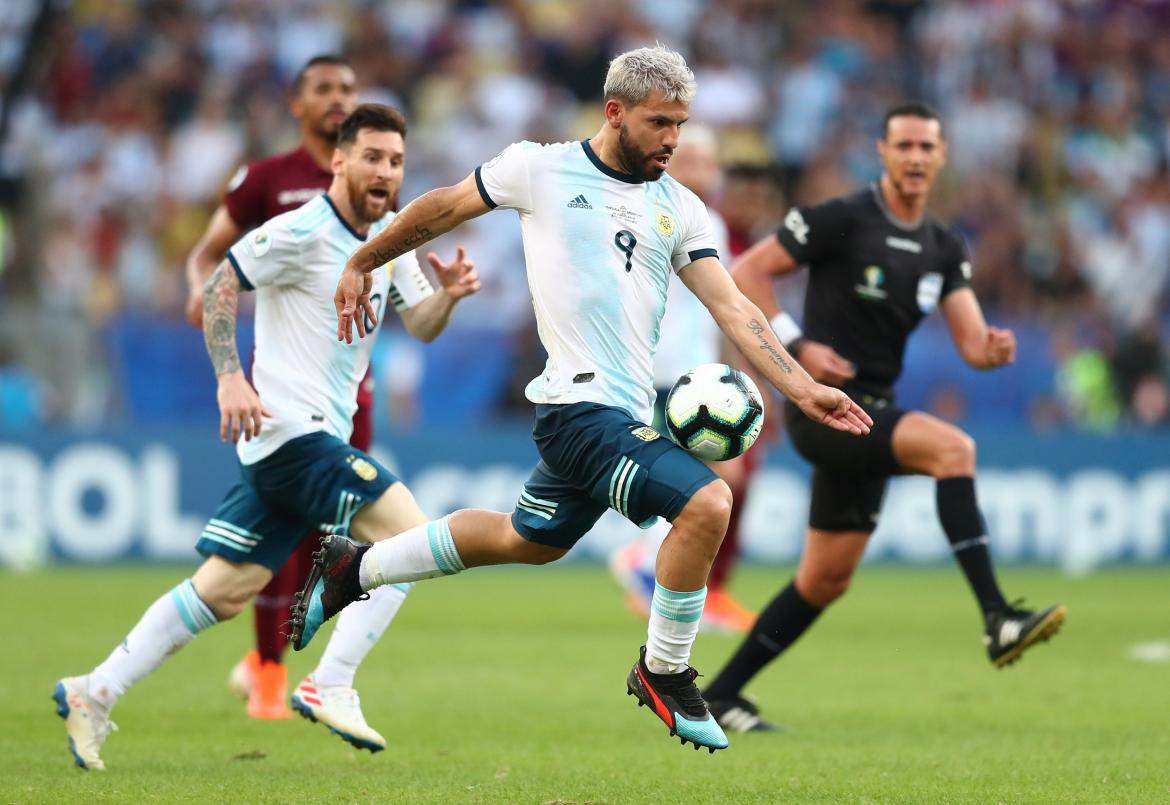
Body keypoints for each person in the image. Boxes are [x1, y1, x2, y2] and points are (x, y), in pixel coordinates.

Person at [290, 45, 871, 754]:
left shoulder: (680, 208)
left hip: (619, 415)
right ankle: (665, 669)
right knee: (709, 502)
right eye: (660, 123)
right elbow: (443, 206)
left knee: (526, 539)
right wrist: (362, 259)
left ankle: (356, 565)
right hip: (577, 410)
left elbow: (733, 306)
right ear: (616, 111)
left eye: (681, 125)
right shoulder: (539, 167)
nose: (673, 141)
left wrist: (802, 385)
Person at [54, 104, 481, 770]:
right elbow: (223, 282)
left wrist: (448, 295)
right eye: (371, 156)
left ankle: (94, 690)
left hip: (297, 445)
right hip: (289, 432)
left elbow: (420, 323)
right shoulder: (302, 230)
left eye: (396, 161)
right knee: (412, 538)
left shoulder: (394, 241)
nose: (385, 171)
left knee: (222, 591)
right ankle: (331, 680)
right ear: (338, 160)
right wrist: (229, 377)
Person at [700, 102, 1067, 733]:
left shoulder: (945, 247)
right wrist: (798, 344)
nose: (917, 157)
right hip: (824, 406)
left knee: (824, 579)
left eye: (928, 147)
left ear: (942, 155)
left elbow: (973, 344)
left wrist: (993, 350)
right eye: (905, 146)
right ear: (884, 151)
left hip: (872, 411)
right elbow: (747, 271)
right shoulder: (842, 219)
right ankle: (998, 617)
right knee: (954, 450)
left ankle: (724, 694)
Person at [184, 54, 375, 721]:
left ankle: (286, 665)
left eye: (348, 88)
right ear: (297, 105)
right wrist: (198, 288)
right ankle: (269, 669)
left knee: (334, 539)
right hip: (284, 393)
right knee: (285, 536)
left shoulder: (373, 180)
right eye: (324, 88)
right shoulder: (268, 180)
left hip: (355, 391)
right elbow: (211, 256)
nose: (338, 98)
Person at [607, 124, 758, 632]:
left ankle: (661, 570)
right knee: (704, 480)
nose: (698, 171)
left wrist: (734, 373)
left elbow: (723, 308)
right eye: (688, 160)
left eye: (706, 163)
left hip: (700, 377)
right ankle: (647, 563)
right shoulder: (643, 209)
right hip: (655, 373)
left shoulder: (709, 221)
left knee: (720, 478)